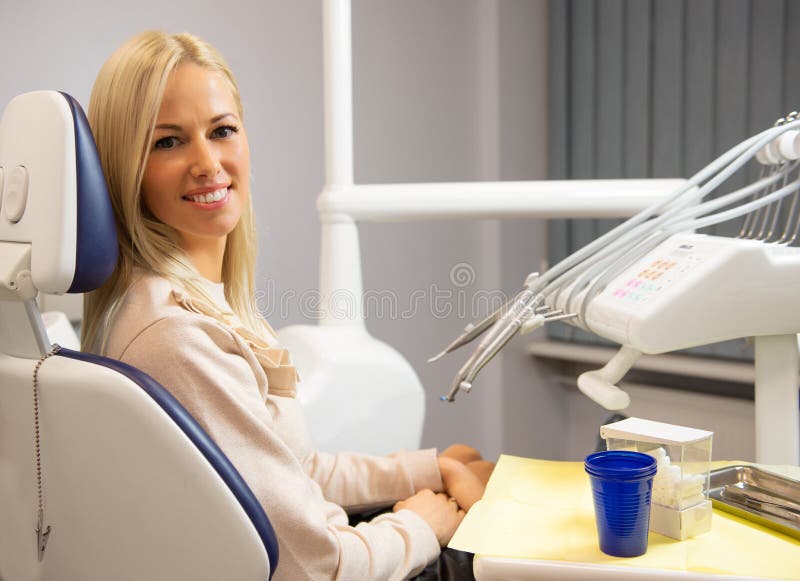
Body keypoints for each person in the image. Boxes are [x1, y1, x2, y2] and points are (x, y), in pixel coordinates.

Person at [82, 30, 491, 580]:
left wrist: (425, 470)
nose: (207, 162)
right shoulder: (175, 337)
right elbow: (313, 566)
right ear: (124, 167)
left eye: (222, 131)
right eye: (168, 142)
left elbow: (292, 471)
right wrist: (423, 524)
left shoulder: (195, 305)